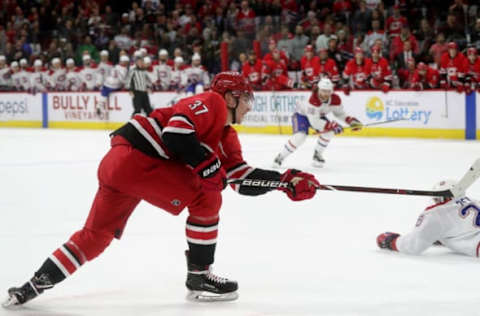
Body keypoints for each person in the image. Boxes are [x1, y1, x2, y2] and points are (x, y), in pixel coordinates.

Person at [3, 72, 320, 307]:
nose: (249, 107)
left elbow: (238, 177)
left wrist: (283, 181)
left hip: (120, 167)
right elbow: (176, 133)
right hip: (136, 160)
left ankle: (34, 284)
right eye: (245, 98)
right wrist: (207, 167)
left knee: (96, 236)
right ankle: (199, 276)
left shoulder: (225, 135)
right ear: (230, 96)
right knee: (206, 194)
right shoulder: (211, 102)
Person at [272, 78, 362, 168]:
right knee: (300, 137)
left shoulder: (335, 99)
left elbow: (340, 113)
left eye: (328, 91)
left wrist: (350, 121)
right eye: (323, 91)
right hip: (301, 115)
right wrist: (331, 125)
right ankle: (280, 157)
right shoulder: (313, 100)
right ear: (318, 89)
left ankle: (317, 155)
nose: (325, 94)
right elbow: (314, 122)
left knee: (329, 132)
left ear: (331, 91)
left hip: (317, 116)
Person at [377, 180, 480, 257]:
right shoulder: (474, 201)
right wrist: (440, 237)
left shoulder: (436, 214)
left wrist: (392, 242)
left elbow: (414, 245)